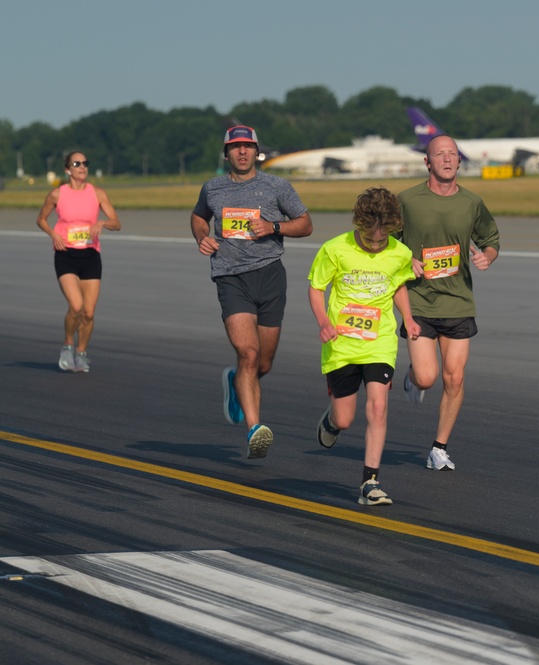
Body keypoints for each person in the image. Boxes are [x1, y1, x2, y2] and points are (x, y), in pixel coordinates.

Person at [190, 125, 313, 459]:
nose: (242, 152)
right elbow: (199, 216)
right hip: (231, 277)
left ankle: (235, 383)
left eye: (248, 147)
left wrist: (274, 226)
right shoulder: (212, 188)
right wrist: (202, 236)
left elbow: (305, 223)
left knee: (264, 362)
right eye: (235, 147)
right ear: (226, 153)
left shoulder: (276, 186)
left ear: (256, 151)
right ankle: (255, 429)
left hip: (270, 275)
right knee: (248, 353)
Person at [308, 187, 419, 506]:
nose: (375, 244)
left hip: (379, 341)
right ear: (359, 224)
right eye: (370, 238)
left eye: (381, 240)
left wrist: (408, 319)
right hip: (341, 342)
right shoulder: (334, 249)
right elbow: (316, 288)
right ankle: (331, 421)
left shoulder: (399, 252)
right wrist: (323, 322)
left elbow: (397, 285)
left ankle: (370, 482)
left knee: (378, 405)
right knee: (344, 419)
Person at [396, 134, 500, 471]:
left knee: (454, 378)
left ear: (459, 161)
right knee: (428, 378)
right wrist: (404, 261)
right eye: (439, 154)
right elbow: (382, 242)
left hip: (458, 301)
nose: (446, 159)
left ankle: (439, 447)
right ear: (427, 162)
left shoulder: (471, 202)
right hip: (419, 301)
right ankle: (411, 379)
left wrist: (487, 256)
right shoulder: (408, 200)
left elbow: (490, 238)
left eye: (452, 154)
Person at [35, 151, 122, 373]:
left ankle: (81, 353)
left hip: (91, 256)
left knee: (89, 312)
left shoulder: (97, 193)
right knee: (76, 306)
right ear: (68, 169)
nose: (82, 167)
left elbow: (116, 222)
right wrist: (53, 234)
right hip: (65, 255)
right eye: (77, 163)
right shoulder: (57, 194)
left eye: (85, 163)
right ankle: (67, 345)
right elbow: (41, 219)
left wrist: (102, 223)